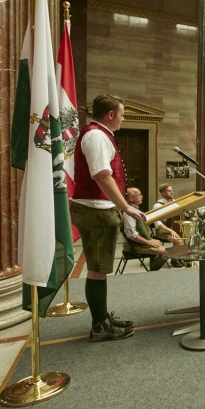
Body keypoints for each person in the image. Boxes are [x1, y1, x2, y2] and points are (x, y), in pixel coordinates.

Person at [70, 95, 140, 342]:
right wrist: (126, 207)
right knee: (98, 270)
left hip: (99, 208)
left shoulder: (100, 135)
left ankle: (102, 317)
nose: (122, 119)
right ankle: (99, 326)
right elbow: (101, 175)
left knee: (99, 268)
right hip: (96, 210)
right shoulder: (96, 136)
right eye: (121, 114)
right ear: (110, 114)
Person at [122, 188, 168, 271]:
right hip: (134, 246)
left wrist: (151, 239)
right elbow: (131, 234)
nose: (142, 196)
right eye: (139, 195)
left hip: (140, 243)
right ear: (131, 198)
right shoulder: (129, 214)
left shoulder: (135, 210)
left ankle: (153, 269)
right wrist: (148, 242)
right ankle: (153, 271)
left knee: (158, 244)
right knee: (167, 252)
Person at [151, 183, 185, 267]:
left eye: (172, 190)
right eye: (169, 191)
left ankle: (178, 255)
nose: (172, 192)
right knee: (178, 240)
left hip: (174, 228)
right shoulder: (158, 205)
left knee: (188, 236)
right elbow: (157, 223)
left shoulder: (174, 202)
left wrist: (186, 212)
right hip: (163, 231)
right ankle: (174, 258)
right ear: (163, 193)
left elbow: (181, 212)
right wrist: (171, 231)